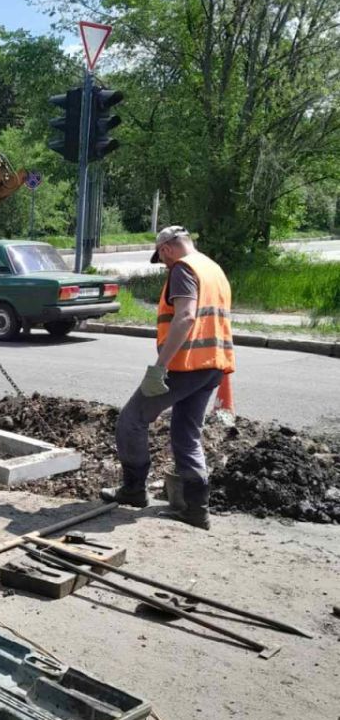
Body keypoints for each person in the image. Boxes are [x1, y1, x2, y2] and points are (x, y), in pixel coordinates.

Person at [102, 225, 235, 530]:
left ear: (166, 249)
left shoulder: (182, 269)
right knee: (186, 434)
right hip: (213, 365)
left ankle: (134, 490)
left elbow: (186, 317)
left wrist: (160, 367)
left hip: (185, 365)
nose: (163, 264)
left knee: (131, 420)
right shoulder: (213, 269)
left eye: (162, 258)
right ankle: (196, 510)